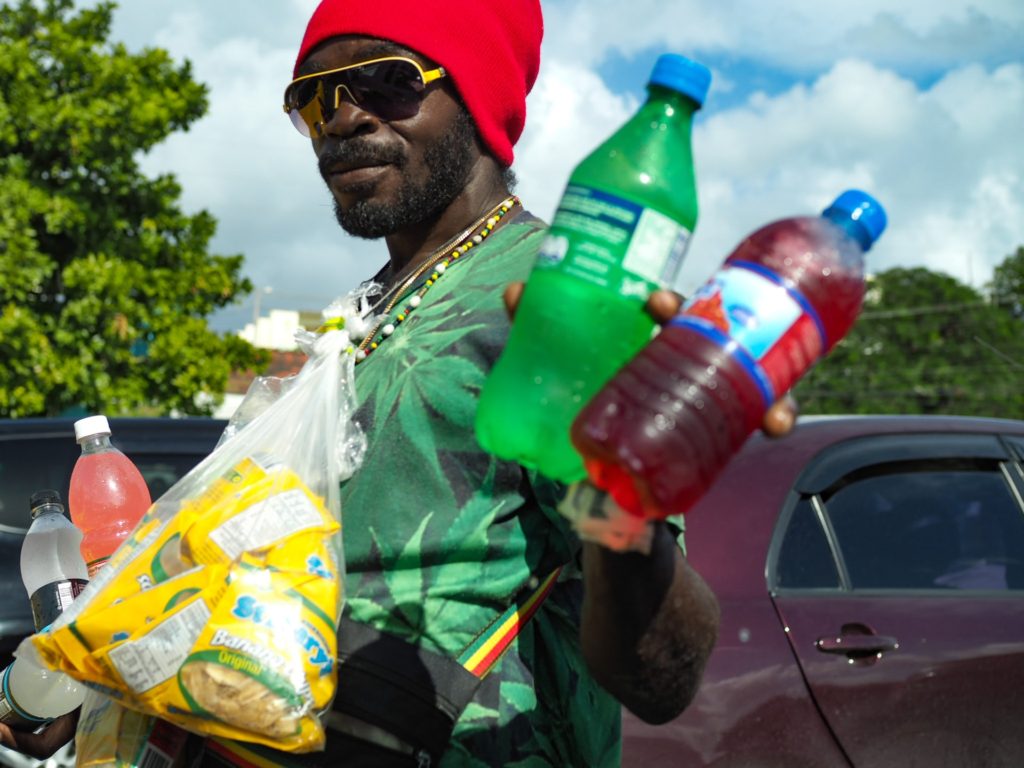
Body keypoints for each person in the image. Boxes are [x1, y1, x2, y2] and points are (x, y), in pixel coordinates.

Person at [0, 0, 795, 764]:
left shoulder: (552, 305)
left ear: (475, 97)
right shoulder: (355, 318)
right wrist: (85, 680)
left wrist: (625, 508)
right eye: (314, 102)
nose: (344, 118)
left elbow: (659, 681)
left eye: (389, 83)